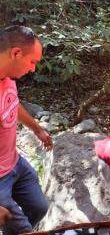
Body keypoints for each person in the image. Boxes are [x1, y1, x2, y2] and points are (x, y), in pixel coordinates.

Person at [0, 25, 53, 235]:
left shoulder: (7, 78)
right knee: (23, 230)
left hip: (16, 163)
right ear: (15, 53)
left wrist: (37, 129)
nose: (33, 69)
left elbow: (12, 103)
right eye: (32, 62)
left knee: (40, 207)